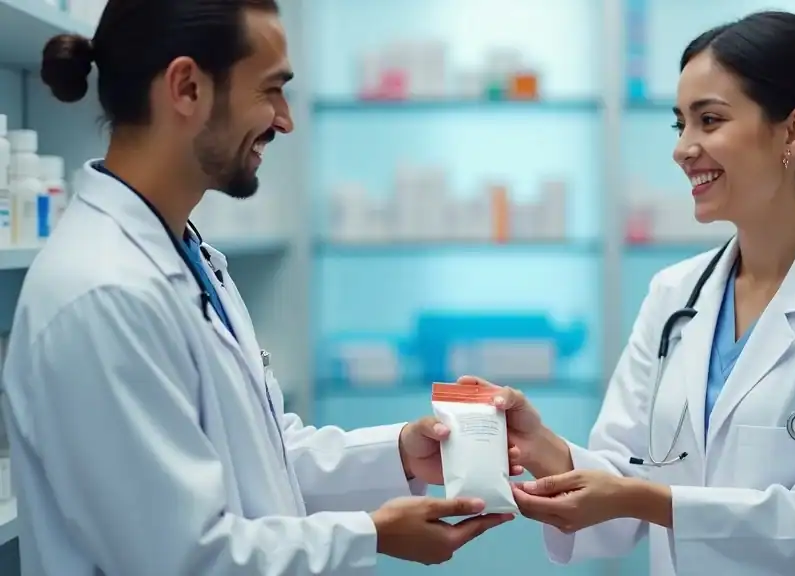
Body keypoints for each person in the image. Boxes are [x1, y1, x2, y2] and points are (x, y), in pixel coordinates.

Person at [0, 1, 517, 574]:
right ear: (188, 87)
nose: (286, 119)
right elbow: (181, 559)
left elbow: (256, 458)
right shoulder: (102, 295)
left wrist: (397, 455)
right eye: (271, 90)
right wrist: (369, 534)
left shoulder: (183, 256)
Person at [458, 10, 795, 576]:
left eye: (710, 120)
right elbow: (624, 482)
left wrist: (646, 500)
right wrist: (544, 449)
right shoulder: (676, 295)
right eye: (681, 124)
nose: (684, 148)